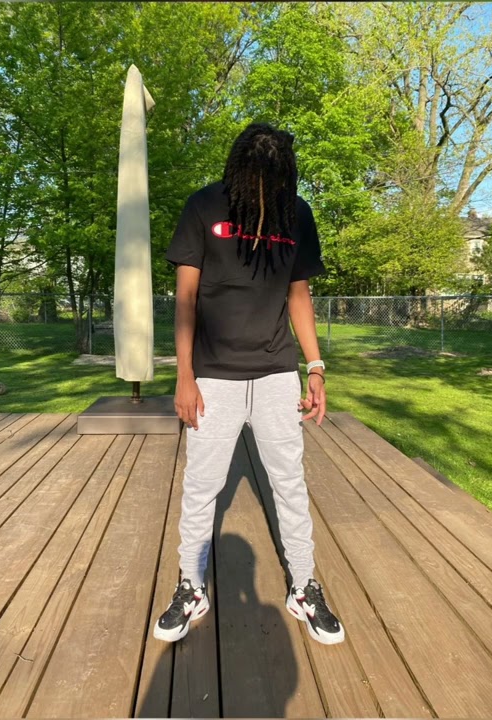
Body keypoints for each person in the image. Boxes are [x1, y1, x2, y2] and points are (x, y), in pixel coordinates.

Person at [152, 122, 345, 646]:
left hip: (277, 371)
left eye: (276, 181)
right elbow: (186, 298)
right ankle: (192, 586)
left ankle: (303, 586)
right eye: (258, 181)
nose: (266, 192)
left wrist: (316, 367)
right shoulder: (203, 206)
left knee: (289, 483)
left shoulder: (296, 212)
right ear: (239, 171)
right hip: (214, 375)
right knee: (202, 486)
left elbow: (298, 295)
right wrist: (184, 376)